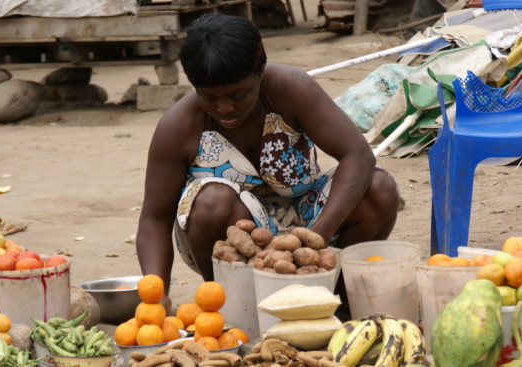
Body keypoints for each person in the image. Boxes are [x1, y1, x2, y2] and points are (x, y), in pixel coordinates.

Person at [136, 13, 400, 312]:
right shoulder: (178, 126)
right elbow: (154, 218)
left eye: (238, 94)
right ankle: (232, 306)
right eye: (208, 97)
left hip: (309, 223)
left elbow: (358, 154)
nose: (224, 108)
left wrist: (316, 237)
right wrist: (156, 293)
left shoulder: (291, 90)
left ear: (259, 71)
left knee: (378, 188)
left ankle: (332, 298)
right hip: (229, 246)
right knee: (211, 201)